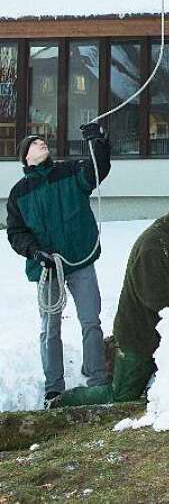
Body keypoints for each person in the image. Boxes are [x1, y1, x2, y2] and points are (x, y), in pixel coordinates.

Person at [57, 181, 169, 407]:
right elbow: (154, 296)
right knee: (121, 396)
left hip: (164, 333)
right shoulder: (154, 245)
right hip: (138, 336)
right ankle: (63, 402)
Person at [7, 124, 111, 407]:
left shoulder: (70, 171)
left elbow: (97, 171)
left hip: (80, 260)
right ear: (25, 157)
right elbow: (16, 234)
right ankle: (54, 388)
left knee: (91, 321)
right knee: (49, 327)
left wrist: (97, 142)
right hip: (47, 268)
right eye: (35, 142)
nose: (42, 143)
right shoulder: (19, 193)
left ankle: (97, 380)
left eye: (43, 141)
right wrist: (36, 253)